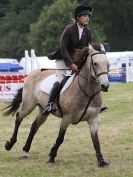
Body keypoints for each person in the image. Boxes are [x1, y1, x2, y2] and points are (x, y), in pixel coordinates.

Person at [43, 5, 107, 114]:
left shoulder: (88, 31)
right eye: (84, 16)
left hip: (78, 61)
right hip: (63, 59)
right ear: (78, 17)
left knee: (91, 78)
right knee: (59, 80)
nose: (87, 18)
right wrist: (71, 64)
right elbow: (63, 48)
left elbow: (88, 49)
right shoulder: (69, 29)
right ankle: (50, 104)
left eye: (88, 16)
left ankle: (98, 104)